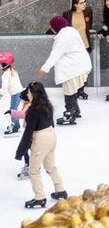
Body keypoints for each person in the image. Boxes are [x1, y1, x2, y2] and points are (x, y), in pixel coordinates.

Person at [15, 82, 66, 210]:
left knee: (33, 169)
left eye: (28, 92)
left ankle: (39, 198)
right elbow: (52, 123)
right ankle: (60, 191)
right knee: (50, 166)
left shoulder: (33, 110)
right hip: (51, 135)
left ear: (33, 93)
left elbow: (28, 132)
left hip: (41, 137)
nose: (27, 94)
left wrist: (20, 152)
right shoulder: (47, 104)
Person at [37, 15, 92, 125]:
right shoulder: (72, 30)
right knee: (72, 90)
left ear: (56, 27)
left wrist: (44, 69)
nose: (51, 29)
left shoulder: (62, 38)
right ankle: (75, 110)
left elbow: (55, 55)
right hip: (81, 65)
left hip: (72, 69)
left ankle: (69, 115)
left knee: (69, 92)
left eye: (52, 27)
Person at [65, 0, 93, 102]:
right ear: (75, 5)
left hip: (84, 45)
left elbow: (89, 24)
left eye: (84, 2)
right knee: (74, 69)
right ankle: (74, 90)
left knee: (84, 70)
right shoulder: (67, 14)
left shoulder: (88, 11)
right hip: (72, 47)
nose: (84, 4)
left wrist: (89, 30)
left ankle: (81, 89)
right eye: (81, 3)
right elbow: (64, 28)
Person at [1, 52, 23, 136]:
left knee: (13, 109)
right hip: (19, 92)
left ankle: (15, 126)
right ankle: (16, 124)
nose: (1, 65)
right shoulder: (13, 70)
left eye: (2, 64)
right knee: (14, 109)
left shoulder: (6, 74)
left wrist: (1, 94)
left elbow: (5, 87)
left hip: (16, 93)